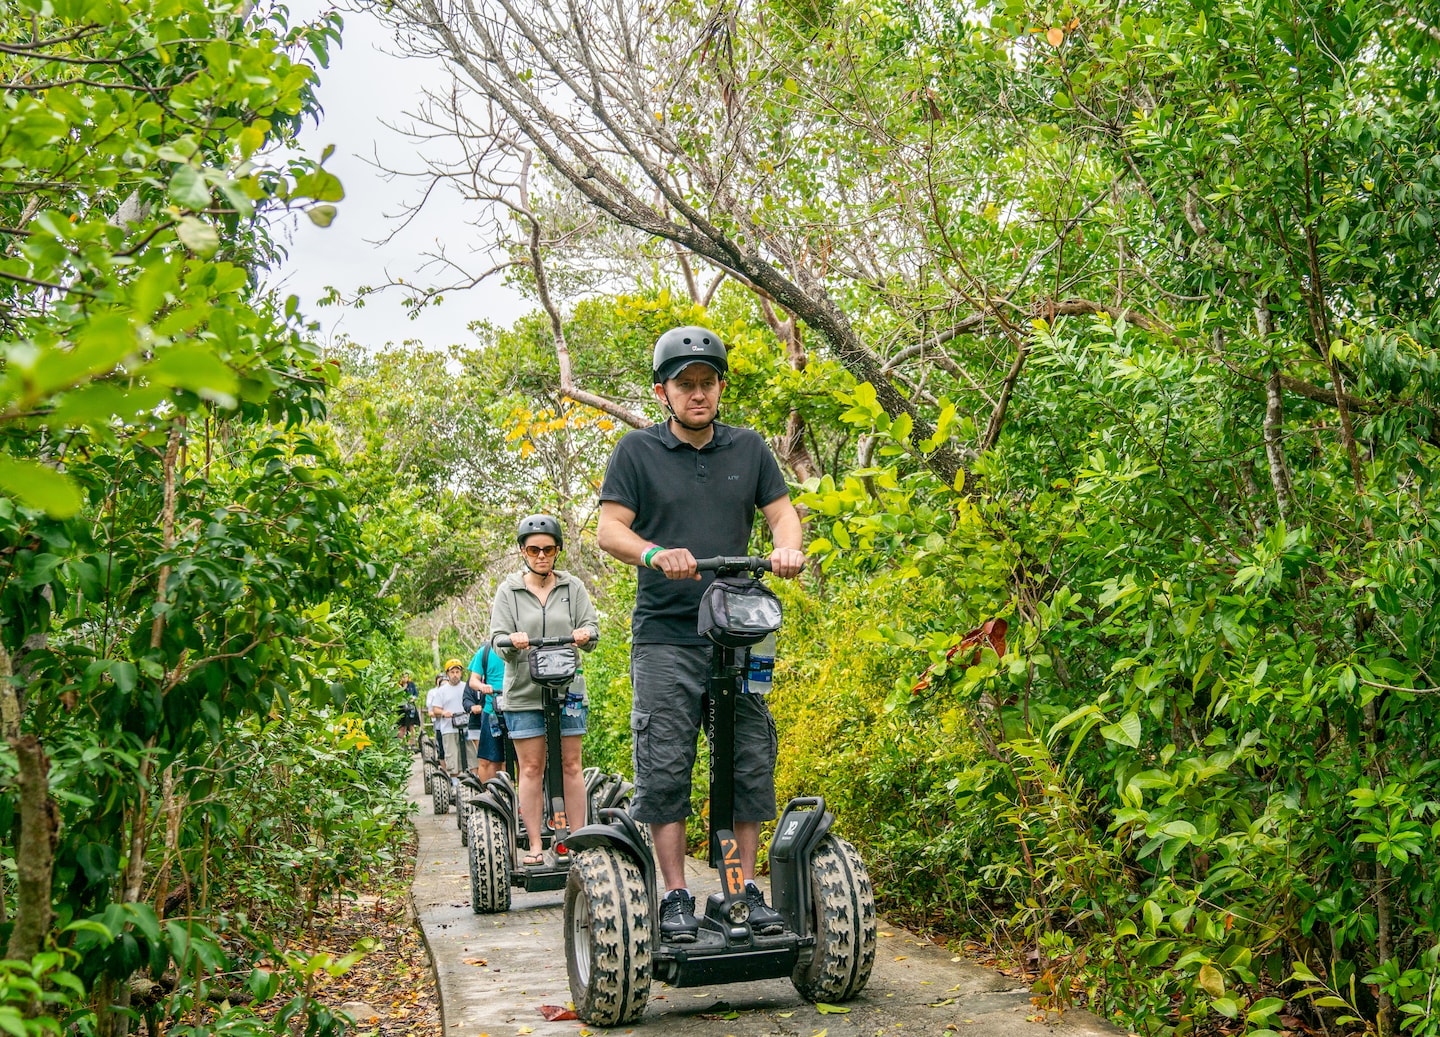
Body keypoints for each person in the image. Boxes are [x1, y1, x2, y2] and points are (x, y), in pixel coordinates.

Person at [597, 325, 805, 943]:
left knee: (748, 760)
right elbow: (610, 530)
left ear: (720, 387)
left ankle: (739, 889)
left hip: (737, 632)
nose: (697, 393)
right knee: (666, 764)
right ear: (662, 391)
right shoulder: (637, 451)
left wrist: (786, 548)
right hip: (666, 635)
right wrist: (654, 553)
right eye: (684, 384)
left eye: (707, 383)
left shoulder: (749, 449)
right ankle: (676, 895)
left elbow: (782, 513)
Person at [489, 514, 599, 867]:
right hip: (524, 692)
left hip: (568, 689)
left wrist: (584, 634)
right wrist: (512, 640)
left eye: (548, 549)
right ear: (523, 551)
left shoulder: (572, 587)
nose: (541, 556)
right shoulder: (509, 591)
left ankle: (578, 841)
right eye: (534, 549)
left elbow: (591, 628)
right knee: (531, 768)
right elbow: (497, 640)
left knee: (571, 764)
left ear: (557, 551)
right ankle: (536, 845)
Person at [464, 640, 508, 782]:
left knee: (523, 760)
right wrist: (482, 686)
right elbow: (473, 681)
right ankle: (489, 792)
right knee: (487, 760)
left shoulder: (522, 648)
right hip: (492, 711)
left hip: (519, 709)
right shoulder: (485, 651)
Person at [426, 660, 469, 775]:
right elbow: (435, 709)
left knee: (470, 757)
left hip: (466, 727)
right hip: (449, 728)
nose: (455, 675)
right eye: (452, 672)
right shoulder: (442, 691)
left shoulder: (467, 687)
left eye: (457, 672)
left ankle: (470, 780)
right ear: (447, 674)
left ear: (461, 673)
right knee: (452, 758)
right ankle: (454, 781)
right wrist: (444, 713)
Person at [396, 672, 420, 748]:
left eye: (406, 677)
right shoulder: (397, 685)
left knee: (411, 726)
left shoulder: (411, 684)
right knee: (401, 726)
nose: (405, 678)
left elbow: (416, 694)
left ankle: (411, 744)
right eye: (403, 677)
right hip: (401, 708)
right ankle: (401, 744)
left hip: (410, 707)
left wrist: (413, 698)